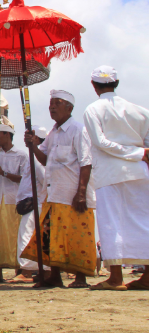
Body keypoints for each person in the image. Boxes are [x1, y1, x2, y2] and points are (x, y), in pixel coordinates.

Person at [83, 66, 149, 290]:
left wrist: (137, 153)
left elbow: (101, 143)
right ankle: (147, 276)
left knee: (112, 224)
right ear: (117, 82)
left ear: (94, 85)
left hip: (110, 173)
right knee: (143, 222)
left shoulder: (93, 109)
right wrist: (139, 154)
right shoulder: (140, 110)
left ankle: (116, 278)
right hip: (139, 171)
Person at [22, 90, 96, 289]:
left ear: (69, 108)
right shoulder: (53, 133)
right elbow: (44, 159)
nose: (52, 107)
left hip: (71, 195)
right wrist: (33, 146)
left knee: (77, 236)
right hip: (53, 195)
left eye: (57, 103)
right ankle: (54, 276)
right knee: (50, 237)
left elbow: (86, 163)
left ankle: (80, 277)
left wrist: (81, 194)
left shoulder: (78, 130)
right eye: (50, 103)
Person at [0, 122, 27, 280]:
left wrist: (4, 173)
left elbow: (24, 178)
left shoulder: (20, 155)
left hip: (13, 199)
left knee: (14, 234)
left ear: (7, 135)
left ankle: (20, 270)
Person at [9, 127, 49, 284]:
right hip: (31, 203)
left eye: (31, 136)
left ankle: (26, 272)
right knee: (32, 237)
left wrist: (38, 198)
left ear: (37, 140)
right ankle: (40, 271)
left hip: (35, 204)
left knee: (27, 236)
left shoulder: (37, 160)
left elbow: (45, 179)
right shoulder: (31, 158)